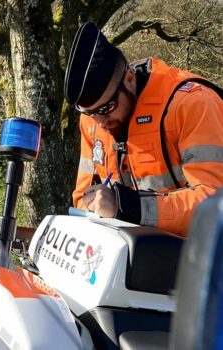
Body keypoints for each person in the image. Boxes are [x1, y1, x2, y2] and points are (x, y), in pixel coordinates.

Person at [64, 21, 223, 237]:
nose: (101, 121)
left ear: (129, 79)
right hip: (136, 254)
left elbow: (214, 208)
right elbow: (83, 199)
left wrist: (127, 206)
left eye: (107, 107)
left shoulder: (192, 104)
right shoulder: (91, 121)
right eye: (90, 113)